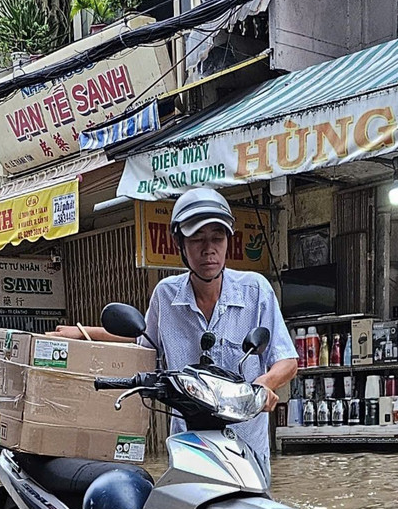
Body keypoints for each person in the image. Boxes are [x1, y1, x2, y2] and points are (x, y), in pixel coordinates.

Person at [57, 188, 298, 478]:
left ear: (227, 243)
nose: (208, 249)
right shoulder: (165, 296)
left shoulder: (256, 290)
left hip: (246, 447)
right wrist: (82, 333)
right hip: (190, 446)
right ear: (179, 244)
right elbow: (142, 340)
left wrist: (264, 384)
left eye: (217, 238)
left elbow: (287, 360)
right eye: (197, 238)